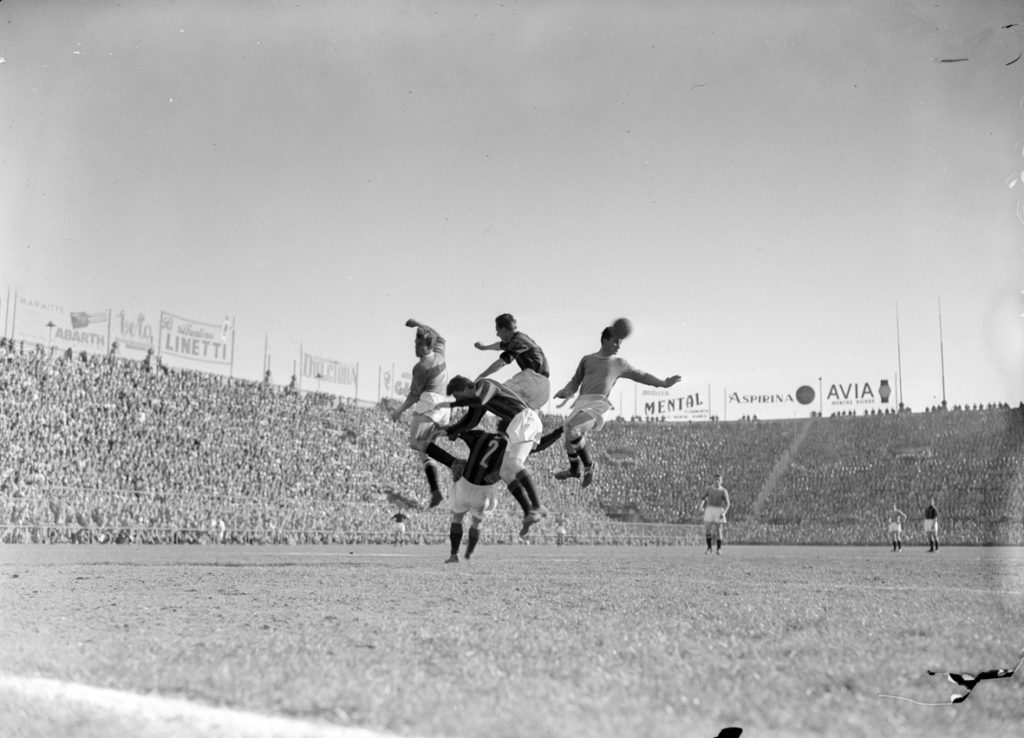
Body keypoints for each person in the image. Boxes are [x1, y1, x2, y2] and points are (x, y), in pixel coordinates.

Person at [548, 325, 681, 488]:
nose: (619, 346)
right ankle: (574, 470)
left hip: (598, 404)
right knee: (569, 441)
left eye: (620, 343)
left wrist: (662, 383)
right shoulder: (587, 359)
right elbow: (575, 381)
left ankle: (589, 466)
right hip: (582, 402)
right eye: (616, 342)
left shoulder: (619, 363)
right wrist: (566, 391)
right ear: (604, 341)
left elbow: (641, 375)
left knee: (572, 430)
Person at [425, 375, 546, 538]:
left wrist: (450, 404)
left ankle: (537, 506)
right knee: (505, 472)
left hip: (525, 419)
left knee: (515, 463)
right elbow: (471, 421)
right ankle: (529, 512)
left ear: (466, 388)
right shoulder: (478, 398)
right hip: (516, 424)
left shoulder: (485, 384)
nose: (460, 402)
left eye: (459, 396)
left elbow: (479, 401)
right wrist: (448, 431)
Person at [390, 319, 449, 508]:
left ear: (427, 346)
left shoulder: (421, 367)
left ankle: (454, 463)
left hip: (429, 404)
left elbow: (413, 396)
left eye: (419, 344)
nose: (415, 347)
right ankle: (436, 491)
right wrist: (418, 323)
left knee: (415, 443)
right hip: (444, 406)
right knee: (425, 451)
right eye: (415, 343)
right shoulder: (439, 355)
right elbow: (441, 338)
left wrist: (398, 411)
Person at [429, 428, 507, 562]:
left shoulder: (482, 436)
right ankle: (470, 552)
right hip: (485, 489)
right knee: (477, 522)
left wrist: (441, 431)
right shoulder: (510, 444)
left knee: (457, 517)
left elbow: (459, 431)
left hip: (467, 484)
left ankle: (454, 555)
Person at [473, 313, 551, 411]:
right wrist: (484, 348)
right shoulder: (521, 338)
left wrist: (482, 375)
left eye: (498, 331)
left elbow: (502, 362)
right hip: (544, 389)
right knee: (521, 415)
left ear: (504, 330)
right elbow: (499, 346)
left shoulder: (517, 342)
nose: (497, 334)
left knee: (497, 393)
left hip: (532, 380)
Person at [699, 473, 730, 554]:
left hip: (719, 510)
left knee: (718, 530)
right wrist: (701, 506)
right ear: (713, 480)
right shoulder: (708, 489)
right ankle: (709, 548)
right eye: (716, 479)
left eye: (719, 480)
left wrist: (724, 513)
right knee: (708, 530)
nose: (717, 481)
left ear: (721, 481)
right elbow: (703, 498)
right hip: (709, 510)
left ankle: (719, 549)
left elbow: (728, 504)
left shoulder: (723, 491)